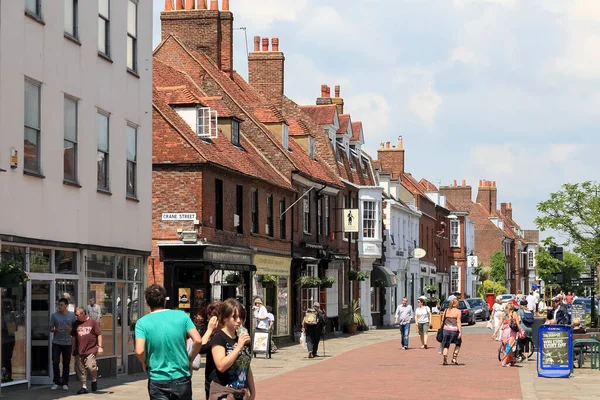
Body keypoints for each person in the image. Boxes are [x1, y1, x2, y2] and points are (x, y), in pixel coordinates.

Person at [135, 284, 202, 400]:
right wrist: (190, 359)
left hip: (157, 377)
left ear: (147, 303)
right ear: (165, 300)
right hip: (181, 376)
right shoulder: (181, 316)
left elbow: (139, 351)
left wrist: (144, 363)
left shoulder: (142, 323)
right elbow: (198, 340)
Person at [209, 298, 255, 400]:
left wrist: (252, 391)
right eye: (234, 317)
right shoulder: (219, 338)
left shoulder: (241, 338)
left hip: (241, 392)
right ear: (225, 318)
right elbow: (221, 366)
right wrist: (238, 347)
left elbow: (246, 366)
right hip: (224, 393)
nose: (239, 321)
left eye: (241, 317)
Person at [71, 307, 103, 394]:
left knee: (91, 367)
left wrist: (100, 346)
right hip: (79, 350)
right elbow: (73, 336)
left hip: (90, 349)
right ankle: (84, 387)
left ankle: (94, 380)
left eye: (77, 315)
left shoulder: (92, 322)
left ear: (83, 313)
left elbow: (99, 334)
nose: (76, 317)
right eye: (75, 315)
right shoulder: (75, 323)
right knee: (81, 369)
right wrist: (73, 348)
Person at [50, 298, 76, 390]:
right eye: (59, 305)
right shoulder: (54, 316)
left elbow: (76, 329)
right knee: (55, 362)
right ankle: (56, 381)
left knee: (66, 363)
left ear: (66, 305)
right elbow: (50, 328)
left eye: (61, 305)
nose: (59, 306)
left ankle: (65, 382)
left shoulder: (72, 316)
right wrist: (55, 330)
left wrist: (71, 330)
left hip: (67, 342)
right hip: (57, 342)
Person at [440, 298, 462, 365]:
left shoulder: (446, 310)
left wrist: (441, 329)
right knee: (458, 343)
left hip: (446, 329)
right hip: (454, 330)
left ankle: (445, 358)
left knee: (446, 345)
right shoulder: (458, 311)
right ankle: (454, 358)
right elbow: (458, 321)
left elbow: (442, 320)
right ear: (457, 304)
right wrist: (460, 331)